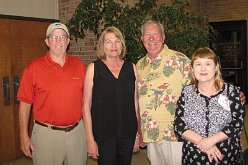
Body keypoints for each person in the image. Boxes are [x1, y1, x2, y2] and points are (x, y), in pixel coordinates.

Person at [18, 22, 87, 165]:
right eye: (54, 37)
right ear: (47, 42)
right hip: (46, 135)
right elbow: (25, 104)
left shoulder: (79, 65)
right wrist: (23, 135)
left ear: (68, 41)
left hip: (76, 132)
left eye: (62, 37)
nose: (58, 41)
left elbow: (85, 101)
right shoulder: (33, 68)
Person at [174, 47, 245, 164]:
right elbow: (179, 125)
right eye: (198, 64)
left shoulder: (231, 91)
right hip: (194, 155)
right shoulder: (186, 92)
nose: (203, 68)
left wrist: (211, 140)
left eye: (208, 63)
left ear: (216, 67)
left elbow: (237, 123)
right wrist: (204, 143)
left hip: (225, 154)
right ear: (192, 68)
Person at [136, 19, 191, 165]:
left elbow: (201, 87)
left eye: (156, 34)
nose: (151, 38)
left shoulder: (180, 60)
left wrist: (228, 95)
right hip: (151, 133)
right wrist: (140, 132)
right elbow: (138, 101)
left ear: (163, 37)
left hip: (176, 134)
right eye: (147, 34)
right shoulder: (140, 65)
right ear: (141, 39)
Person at [83, 26, 140, 165]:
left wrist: (137, 134)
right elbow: (85, 105)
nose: (113, 45)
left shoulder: (131, 68)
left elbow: (135, 103)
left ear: (122, 44)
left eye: (117, 41)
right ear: (103, 45)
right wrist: (90, 139)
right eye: (108, 42)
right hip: (103, 134)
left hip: (127, 133)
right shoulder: (93, 68)